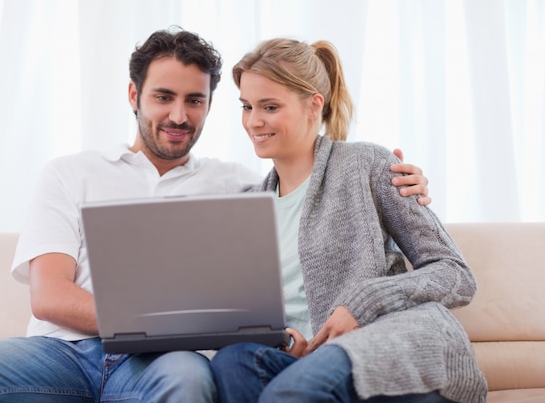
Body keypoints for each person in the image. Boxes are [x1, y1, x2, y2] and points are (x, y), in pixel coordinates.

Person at [0, 28, 431, 402]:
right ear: (133, 95)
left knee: (189, 384)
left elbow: (312, 176)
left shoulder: (242, 185)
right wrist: (153, 325)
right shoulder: (68, 174)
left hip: (164, 364)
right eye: (164, 97)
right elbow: (49, 295)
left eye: (195, 100)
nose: (179, 116)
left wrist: (401, 179)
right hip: (63, 352)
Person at [209, 38, 488, 403]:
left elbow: (456, 274)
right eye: (246, 106)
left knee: (292, 392)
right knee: (233, 362)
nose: (253, 121)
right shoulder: (248, 207)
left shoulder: (367, 165)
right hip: (303, 358)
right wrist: (278, 335)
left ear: (314, 105)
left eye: (270, 106)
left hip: (386, 345)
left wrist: (364, 300)